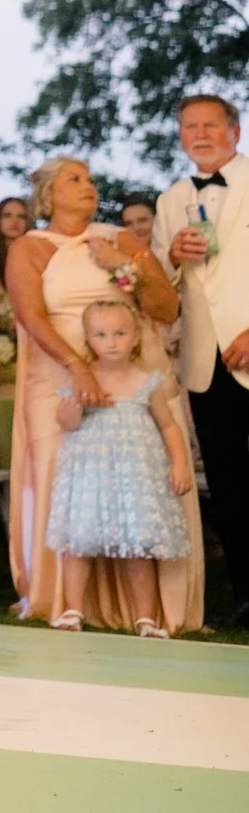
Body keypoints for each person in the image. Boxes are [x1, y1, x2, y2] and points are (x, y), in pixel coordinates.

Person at [7, 155, 200, 631]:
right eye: (74, 179)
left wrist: (128, 265)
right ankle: (65, 599)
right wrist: (78, 368)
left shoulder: (120, 238)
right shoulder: (29, 248)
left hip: (131, 379)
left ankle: (148, 609)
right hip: (58, 378)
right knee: (63, 484)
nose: (87, 185)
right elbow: (30, 316)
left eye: (90, 178)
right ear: (48, 194)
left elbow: (166, 308)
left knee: (141, 483)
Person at [152, 92, 249, 629]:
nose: (201, 135)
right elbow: (160, 286)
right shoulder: (170, 200)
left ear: (235, 131)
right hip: (204, 363)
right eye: (190, 127)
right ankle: (245, 593)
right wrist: (170, 257)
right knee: (229, 483)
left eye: (211, 125)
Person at [45, 297, 196, 635]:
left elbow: (169, 426)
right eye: (101, 335)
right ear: (88, 340)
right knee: (78, 543)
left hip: (134, 479)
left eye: (119, 334)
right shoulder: (83, 380)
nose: (111, 342)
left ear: (136, 337)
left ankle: (145, 618)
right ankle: (73, 611)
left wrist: (180, 464)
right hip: (91, 476)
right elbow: (66, 424)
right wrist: (77, 402)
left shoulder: (147, 381)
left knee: (137, 547)